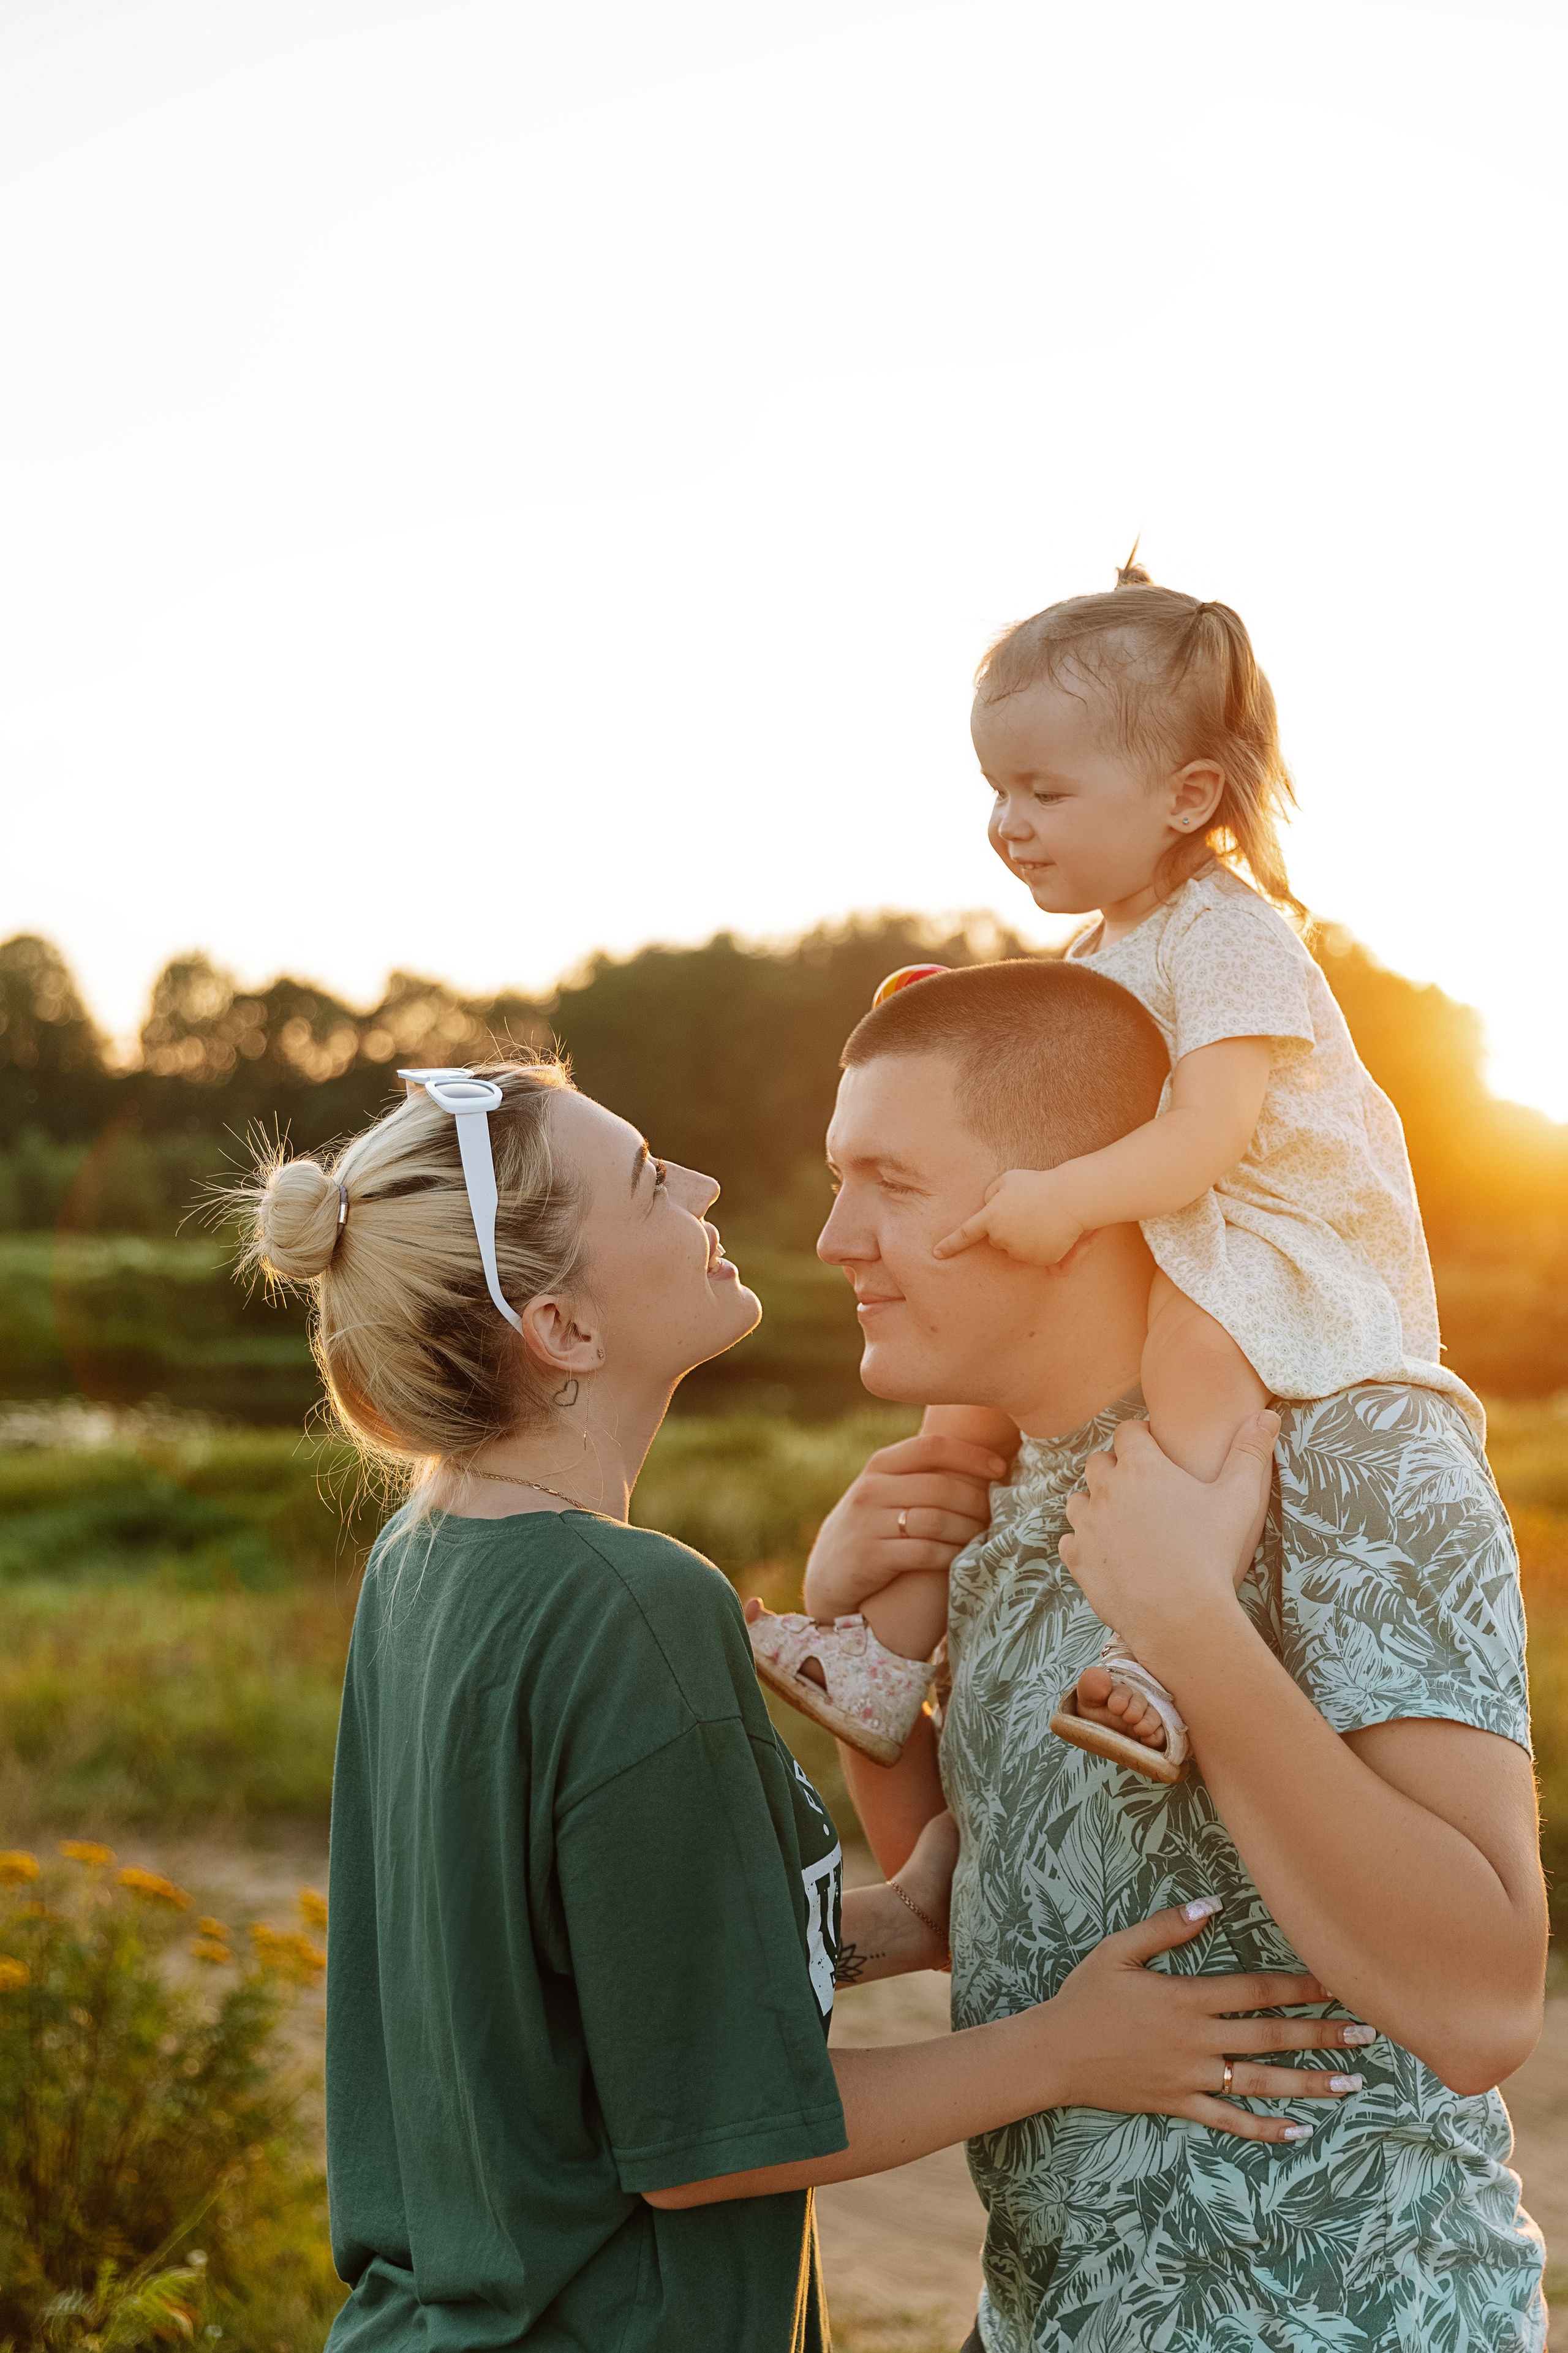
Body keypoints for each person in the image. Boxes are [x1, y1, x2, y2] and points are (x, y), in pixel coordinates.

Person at [228, 1056, 1357, 2353]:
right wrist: (1073, 2049)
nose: (702, 1190)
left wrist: (886, 1924)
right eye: (652, 1181)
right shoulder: (630, 1602)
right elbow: (704, 2140)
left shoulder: (425, 1560)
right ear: (565, 1329)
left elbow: (563, 1994)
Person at [771, 961, 1547, 2351]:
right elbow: (995, 1908)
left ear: (1078, 1195)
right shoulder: (1000, 1488)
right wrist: (864, 1660)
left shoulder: (1352, 1449)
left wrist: (1184, 1621)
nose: (836, 1235)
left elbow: (1478, 1999)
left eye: (890, 1179)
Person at [760, 554, 1476, 1780]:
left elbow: (1206, 1135)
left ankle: (1168, 1637)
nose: (1006, 824)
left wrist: (1060, 1198)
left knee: (1194, 1357)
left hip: (1272, 1233)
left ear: (1185, 793)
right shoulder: (1102, 948)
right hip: (1167, 1217)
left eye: (1041, 790)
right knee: (962, 1406)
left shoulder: (1227, 934)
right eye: (994, 790)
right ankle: (881, 1651)